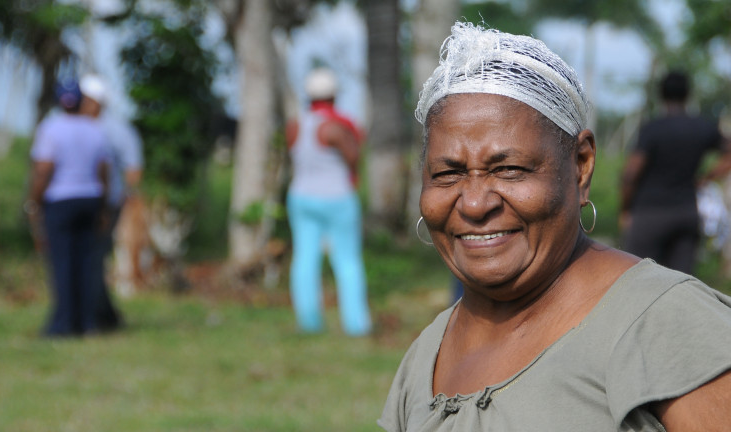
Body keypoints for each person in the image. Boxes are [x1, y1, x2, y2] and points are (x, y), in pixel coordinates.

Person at [379, 22, 731, 431]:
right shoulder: (425, 356)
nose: (474, 204)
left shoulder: (666, 324)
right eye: (448, 173)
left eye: (509, 169)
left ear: (581, 166)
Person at [285, 67, 372, 336]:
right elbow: (354, 157)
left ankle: (309, 321)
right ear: (333, 95)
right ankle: (356, 324)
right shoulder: (334, 127)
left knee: (305, 258)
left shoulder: (295, 126)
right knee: (346, 260)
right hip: (337, 198)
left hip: (301, 196)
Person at [620, 70, 731, 275]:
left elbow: (630, 174)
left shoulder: (653, 128)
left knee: (636, 278)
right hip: (686, 213)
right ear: (687, 94)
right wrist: (707, 177)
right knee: (680, 282)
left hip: (649, 214)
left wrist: (626, 209)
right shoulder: (702, 127)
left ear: (661, 94)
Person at [26, 78, 110, 337]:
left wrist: (33, 201)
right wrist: (103, 206)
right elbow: (103, 171)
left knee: (62, 262)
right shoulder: (95, 129)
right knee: (85, 262)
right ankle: (87, 323)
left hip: (60, 201)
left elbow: (43, 169)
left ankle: (62, 324)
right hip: (90, 199)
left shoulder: (50, 128)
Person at [79, 74, 144, 330]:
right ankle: (104, 315)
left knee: (95, 258)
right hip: (77, 202)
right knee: (86, 259)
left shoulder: (117, 130)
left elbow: (133, 169)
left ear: (98, 102)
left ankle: (100, 316)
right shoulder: (74, 125)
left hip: (107, 205)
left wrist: (125, 201)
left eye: (86, 99)